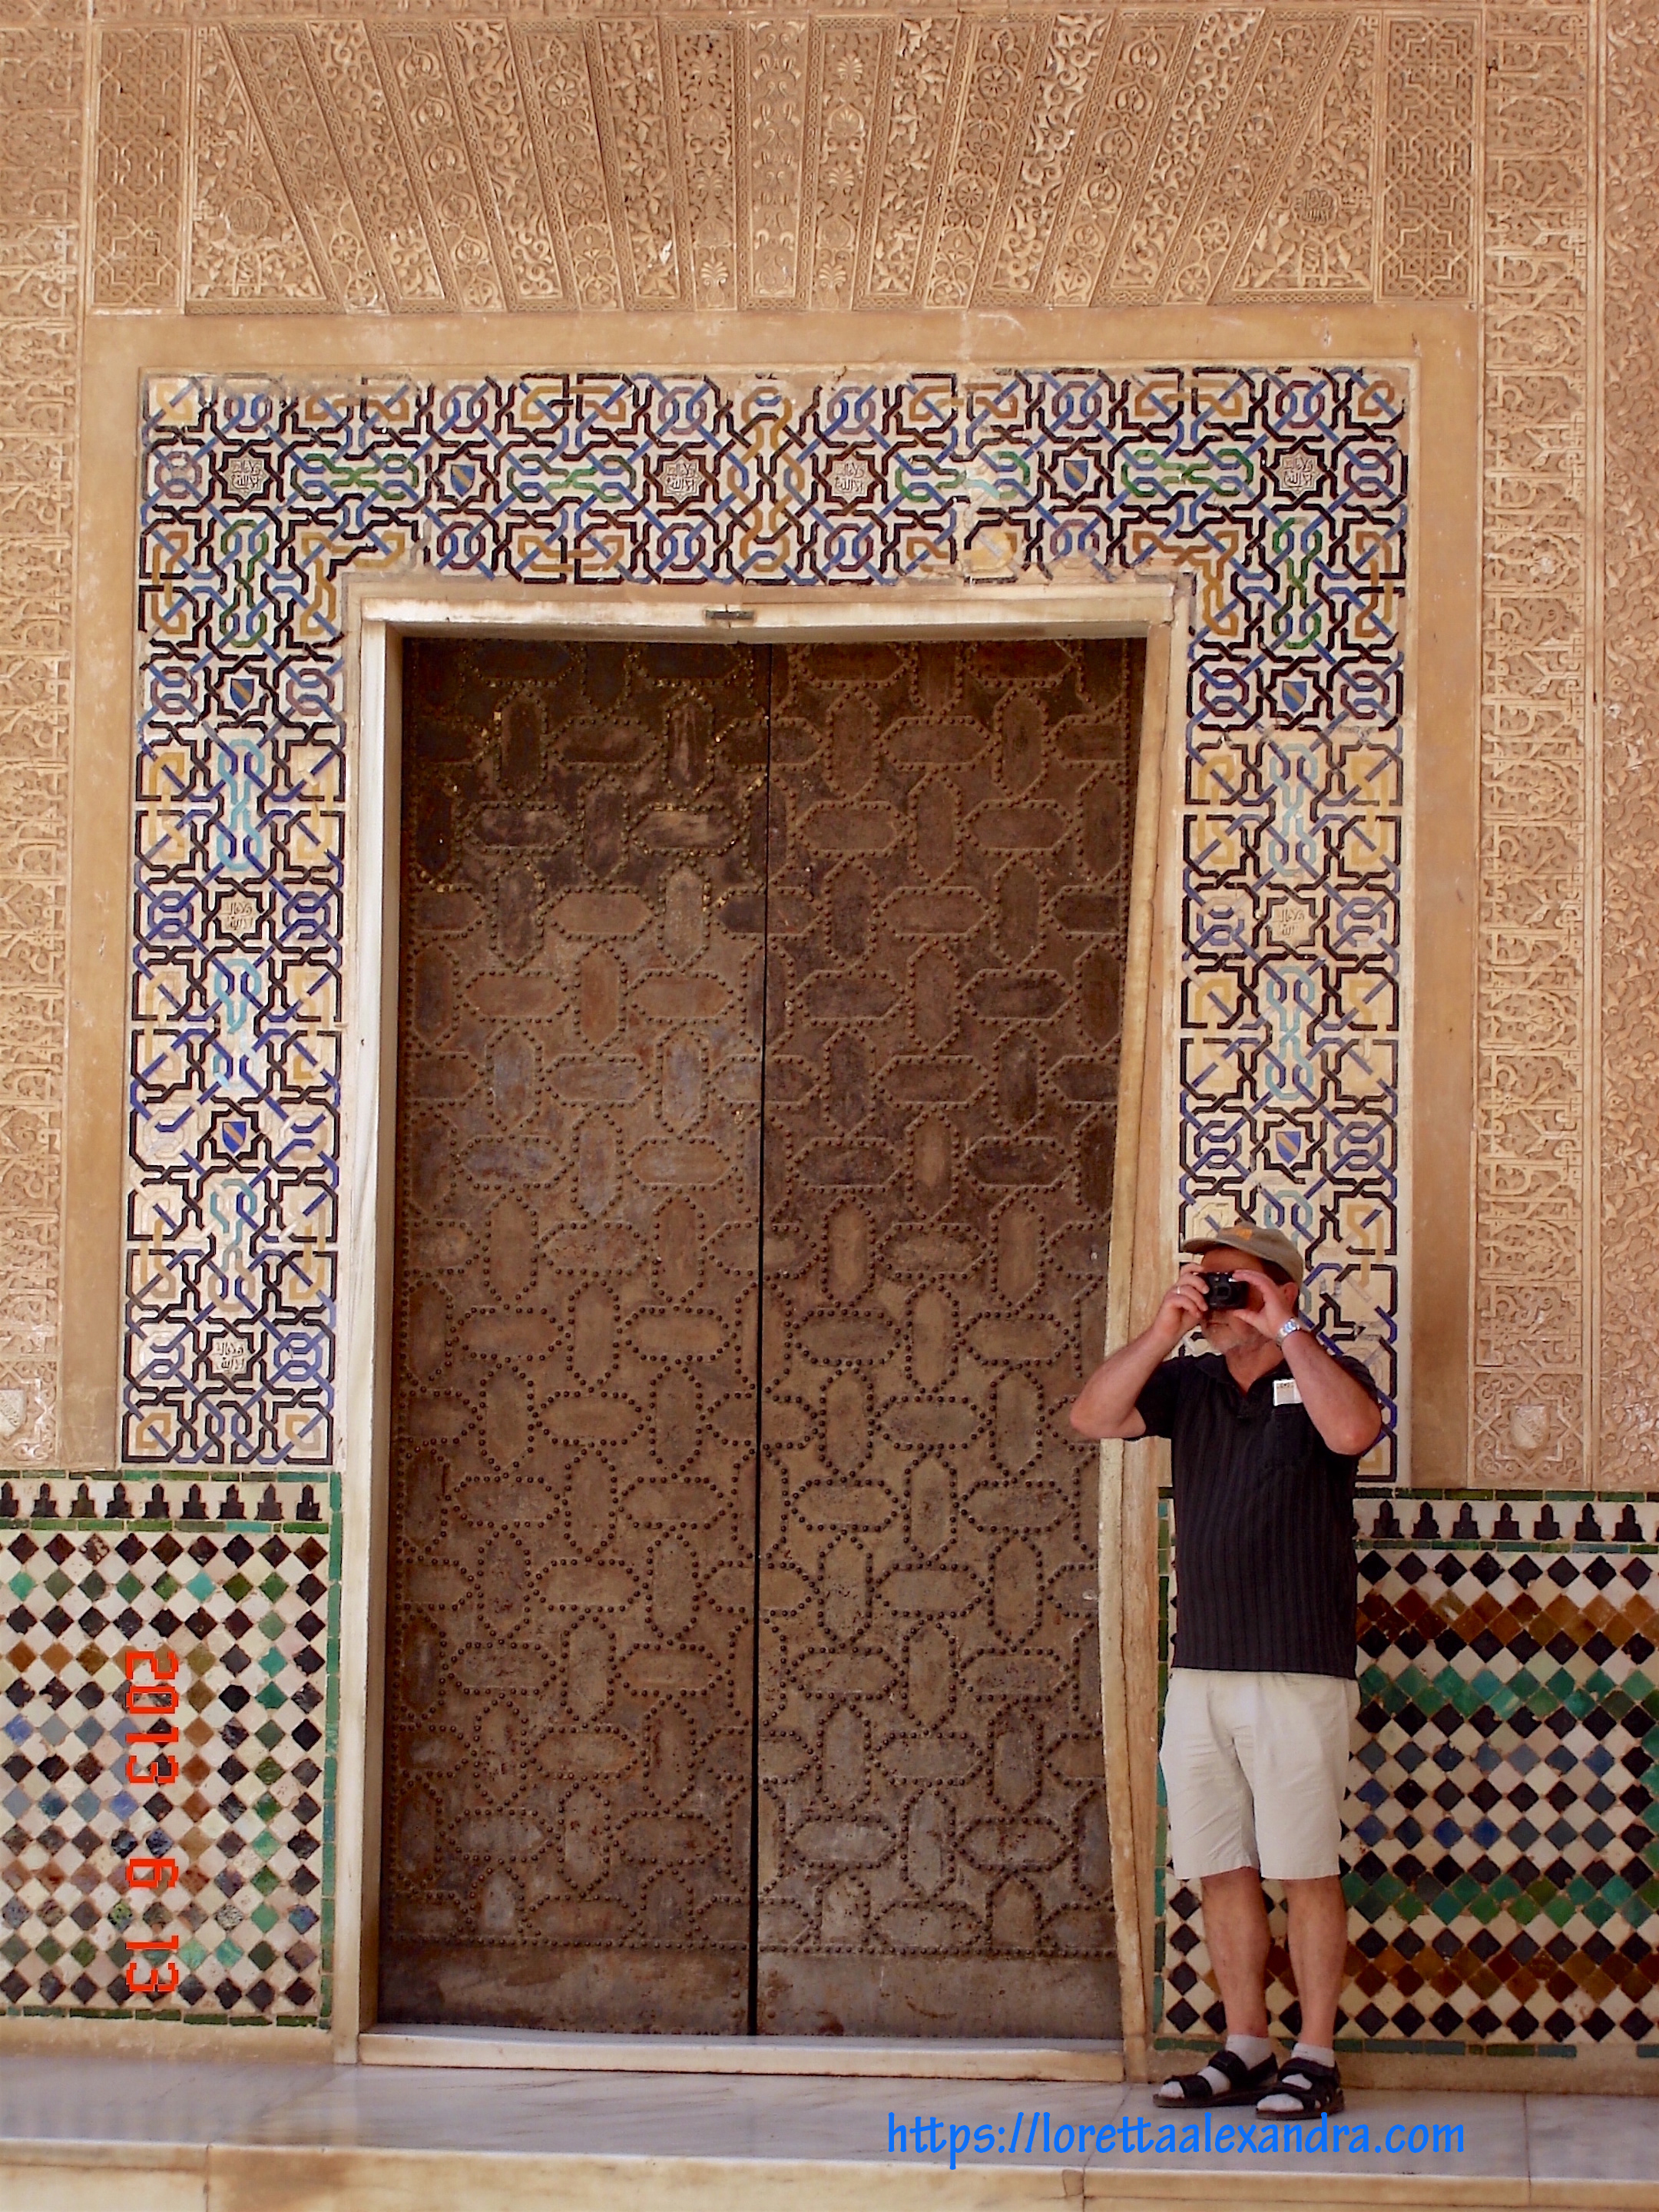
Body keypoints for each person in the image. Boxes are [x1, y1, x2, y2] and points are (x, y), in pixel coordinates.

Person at [1070, 1220, 1382, 2118]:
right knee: (1219, 1865)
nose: (1211, 1294)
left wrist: (1287, 1326)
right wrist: (1165, 1330)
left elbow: (1355, 1433)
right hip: (1201, 1668)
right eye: (1201, 1279)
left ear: (1277, 1286)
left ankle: (1314, 2056)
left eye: (1229, 1282)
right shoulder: (1190, 1383)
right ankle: (1247, 2043)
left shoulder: (1323, 1371)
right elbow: (1093, 1417)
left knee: (1305, 1867)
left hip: (1296, 1666)